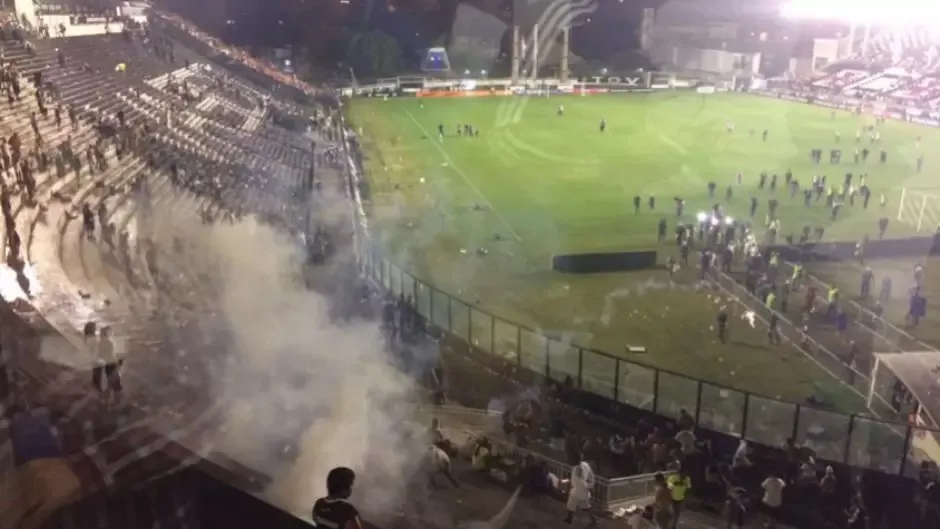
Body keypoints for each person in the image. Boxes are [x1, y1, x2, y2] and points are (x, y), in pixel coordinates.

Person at [564, 459, 596, 525]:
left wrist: (588, 486)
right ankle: (569, 518)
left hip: (582, 490)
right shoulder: (584, 466)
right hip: (578, 489)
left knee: (586, 507)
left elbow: (589, 480)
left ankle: (593, 520)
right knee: (571, 504)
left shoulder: (584, 467)